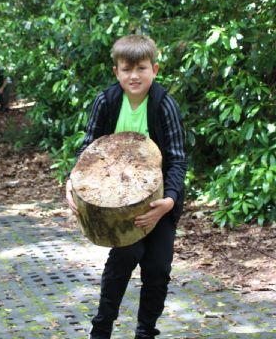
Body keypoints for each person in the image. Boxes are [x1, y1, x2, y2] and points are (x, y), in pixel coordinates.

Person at [65, 35, 187, 339]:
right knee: (125, 256)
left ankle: (145, 332)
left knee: (158, 269)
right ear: (116, 71)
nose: (134, 76)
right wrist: (72, 182)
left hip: (158, 202)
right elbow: (88, 150)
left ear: (154, 69)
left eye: (141, 68)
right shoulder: (106, 102)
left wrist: (169, 201)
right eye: (126, 69)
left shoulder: (164, 105)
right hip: (115, 204)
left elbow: (177, 159)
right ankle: (101, 329)